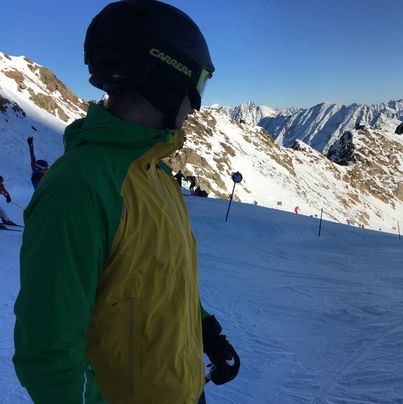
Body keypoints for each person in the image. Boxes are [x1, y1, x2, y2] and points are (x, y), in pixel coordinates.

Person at [13, 1, 239, 402]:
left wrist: (207, 332)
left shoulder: (156, 173)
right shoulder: (78, 187)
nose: (198, 104)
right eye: (199, 83)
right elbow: (48, 353)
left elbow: (164, 280)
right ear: (165, 77)